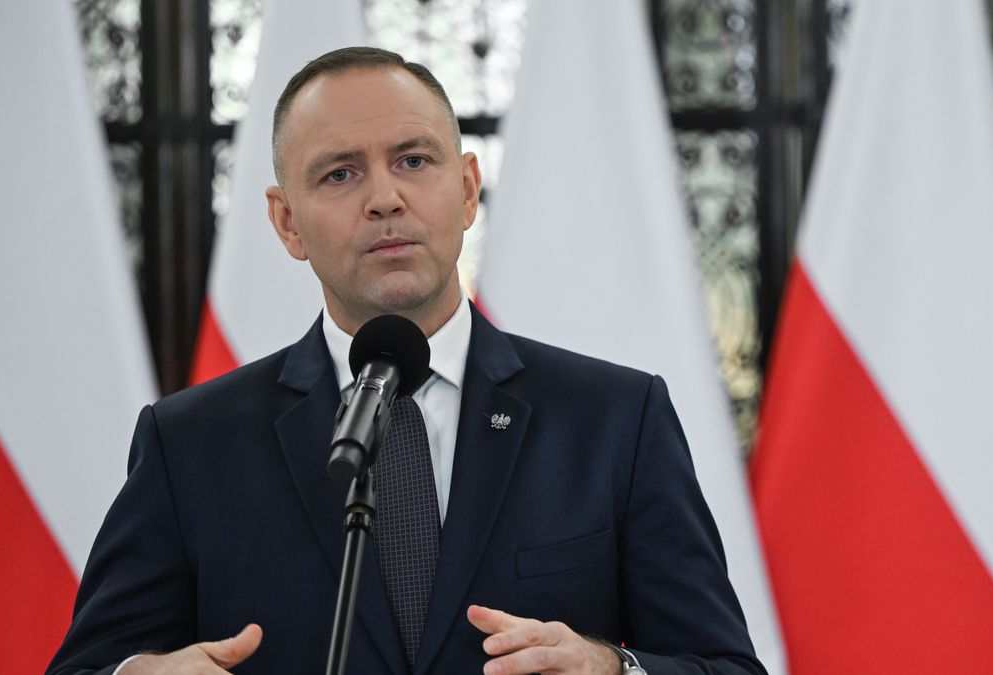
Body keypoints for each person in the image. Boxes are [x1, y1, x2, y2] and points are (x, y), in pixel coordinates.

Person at [48, 47, 765, 675]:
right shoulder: (191, 444)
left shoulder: (614, 419)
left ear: (465, 189)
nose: (385, 198)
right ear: (286, 221)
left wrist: (614, 668)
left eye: (413, 161)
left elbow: (725, 665)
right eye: (339, 174)